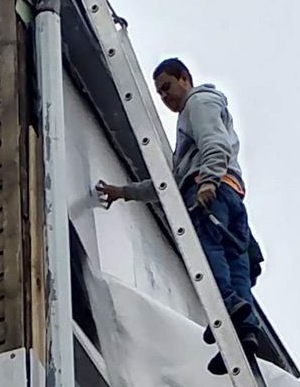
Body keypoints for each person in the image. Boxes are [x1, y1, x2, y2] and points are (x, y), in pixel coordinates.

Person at [98, 59, 262, 349]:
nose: (164, 96)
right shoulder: (201, 110)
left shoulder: (197, 104)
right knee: (235, 263)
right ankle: (243, 331)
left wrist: (208, 181)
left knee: (209, 254)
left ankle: (226, 308)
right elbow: (169, 185)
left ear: (184, 78)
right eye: (160, 93)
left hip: (210, 191)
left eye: (167, 87)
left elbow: (214, 142)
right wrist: (124, 192)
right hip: (231, 194)